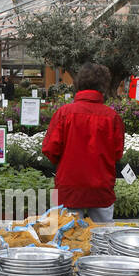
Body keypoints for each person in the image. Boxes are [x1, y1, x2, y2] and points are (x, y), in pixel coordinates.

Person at [42, 62, 125, 224]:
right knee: (104, 238)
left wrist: (64, 163)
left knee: (68, 238)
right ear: (104, 85)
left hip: (69, 186)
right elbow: (117, 154)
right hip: (101, 187)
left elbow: (50, 149)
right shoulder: (112, 117)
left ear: (79, 83)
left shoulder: (64, 113)